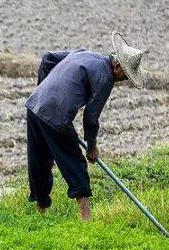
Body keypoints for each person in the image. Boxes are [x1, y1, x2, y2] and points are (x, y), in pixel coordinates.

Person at [24, 32, 146, 220]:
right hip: (56, 115)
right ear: (118, 66)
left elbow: (47, 58)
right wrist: (92, 147)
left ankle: (41, 210)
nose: (126, 80)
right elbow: (91, 117)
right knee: (74, 161)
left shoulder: (83, 53)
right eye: (126, 76)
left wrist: (43, 90)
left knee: (39, 157)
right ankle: (86, 216)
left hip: (34, 106)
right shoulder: (106, 77)